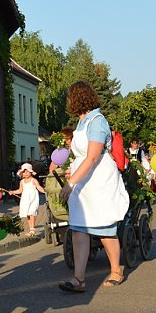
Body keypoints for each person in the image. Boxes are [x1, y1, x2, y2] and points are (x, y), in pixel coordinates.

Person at [58, 81, 130, 292]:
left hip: (98, 180)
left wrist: (71, 182)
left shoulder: (97, 121)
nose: (68, 101)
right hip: (84, 181)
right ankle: (79, 279)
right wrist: (73, 171)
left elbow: (92, 157)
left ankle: (116, 270)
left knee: (104, 228)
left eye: (70, 97)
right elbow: (82, 157)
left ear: (78, 98)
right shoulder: (81, 122)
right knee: (79, 229)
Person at [7, 163, 46, 236]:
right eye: (24, 172)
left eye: (27, 172)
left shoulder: (33, 180)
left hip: (33, 199)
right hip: (25, 200)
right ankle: (31, 228)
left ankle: (32, 229)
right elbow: (20, 190)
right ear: (22, 173)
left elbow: (38, 187)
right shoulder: (22, 182)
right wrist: (13, 192)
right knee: (28, 213)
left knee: (32, 212)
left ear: (31, 172)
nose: (26, 174)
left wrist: (44, 191)